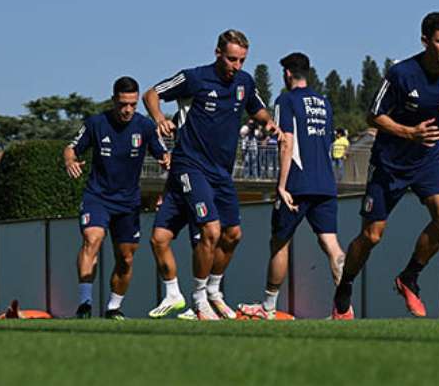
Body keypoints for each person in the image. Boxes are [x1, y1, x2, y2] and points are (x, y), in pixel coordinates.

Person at [332, 12, 439, 319]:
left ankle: (409, 277)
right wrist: (410, 132)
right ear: (425, 41)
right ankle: (345, 286)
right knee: (372, 236)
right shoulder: (401, 74)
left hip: (427, 161)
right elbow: (373, 116)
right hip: (389, 164)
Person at [144, 29, 280, 320]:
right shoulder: (195, 78)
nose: (237, 66)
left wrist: (270, 125)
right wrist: (159, 118)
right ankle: (197, 298)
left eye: (242, 60)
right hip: (190, 165)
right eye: (232, 59)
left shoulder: (245, 82)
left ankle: (214, 292)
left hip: (221, 172)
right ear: (218, 53)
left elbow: (259, 110)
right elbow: (152, 93)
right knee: (210, 230)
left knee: (233, 235)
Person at [239, 53, 345, 319]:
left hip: (297, 184)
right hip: (326, 182)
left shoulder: (285, 100)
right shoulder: (324, 103)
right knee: (331, 245)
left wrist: (281, 185)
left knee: (280, 242)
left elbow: (286, 141)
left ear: (287, 73)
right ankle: (344, 309)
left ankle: (268, 307)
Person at [64, 76, 170, 319]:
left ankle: (113, 308)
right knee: (93, 238)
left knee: (126, 258)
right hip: (97, 197)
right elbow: (71, 148)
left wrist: (166, 161)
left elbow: (163, 154)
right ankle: (84, 304)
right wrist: (70, 160)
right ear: (114, 101)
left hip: (128, 202)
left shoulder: (144, 126)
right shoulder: (96, 123)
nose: (128, 109)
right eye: (123, 104)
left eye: (133, 104)